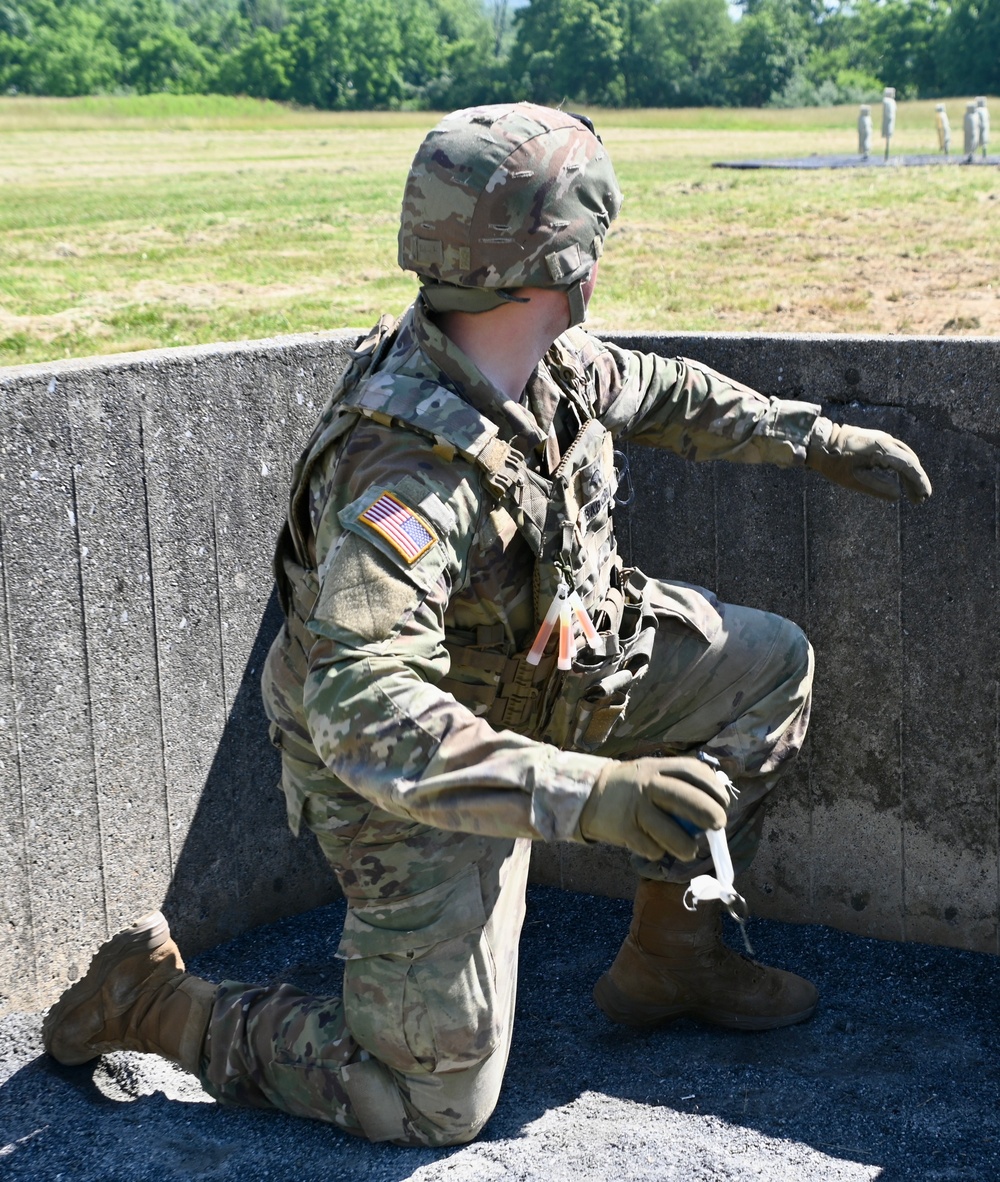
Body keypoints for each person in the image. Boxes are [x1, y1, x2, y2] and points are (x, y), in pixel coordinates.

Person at [43, 103, 932, 1148]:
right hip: (417, 764)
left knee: (766, 664)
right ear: (566, 262)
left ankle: (671, 954)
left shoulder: (537, 356)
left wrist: (808, 436)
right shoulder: (406, 470)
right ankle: (155, 1003)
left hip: (543, 677)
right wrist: (589, 795)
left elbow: (656, 388)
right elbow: (362, 708)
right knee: (429, 1102)